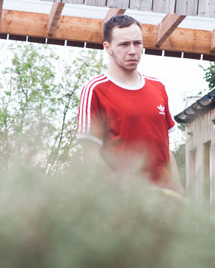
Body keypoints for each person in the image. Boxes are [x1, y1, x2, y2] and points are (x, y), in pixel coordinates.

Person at [77, 14, 184, 193]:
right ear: (108, 47)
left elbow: (166, 150)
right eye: (124, 44)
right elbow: (90, 154)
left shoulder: (158, 88)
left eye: (138, 43)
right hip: (120, 205)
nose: (133, 50)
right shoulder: (95, 89)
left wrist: (179, 193)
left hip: (163, 202)